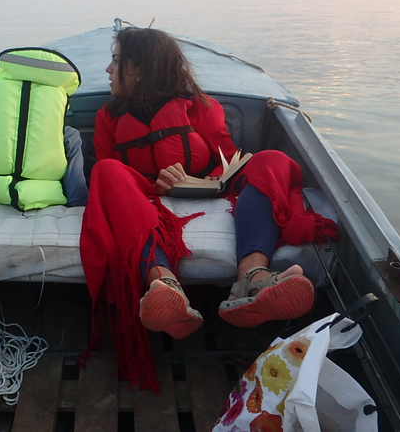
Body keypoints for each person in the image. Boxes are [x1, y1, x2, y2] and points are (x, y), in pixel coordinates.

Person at [79, 27, 338, 392]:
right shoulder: (108, 117)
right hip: (145, 195)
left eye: (116, 61)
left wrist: (202, 180)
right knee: (105, 171)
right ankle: (164, 285)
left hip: (211, 189)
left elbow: (230, 160)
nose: (108, 70)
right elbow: (112, 182)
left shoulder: (200, 108)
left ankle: (252, 278)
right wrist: (157, 184)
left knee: (272, 159)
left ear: (140, 68)